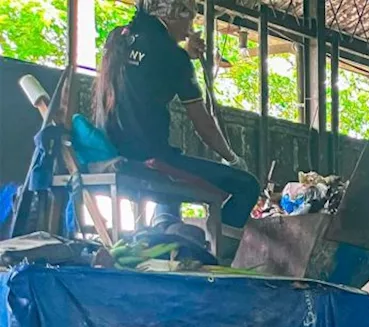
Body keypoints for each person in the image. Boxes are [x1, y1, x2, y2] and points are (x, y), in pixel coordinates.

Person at [92, 0, 260, 228]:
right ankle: (224, 250)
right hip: (150, 161)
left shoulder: (118, 38)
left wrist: (184, 54)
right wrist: (232, 158)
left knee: (174, 164)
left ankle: (165, 227)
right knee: (247, 186)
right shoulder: (173, 57)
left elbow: (150, 66)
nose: (190, 28)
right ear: (172, 14)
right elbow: (204, 126)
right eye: (189, 18)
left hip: (111, 154)